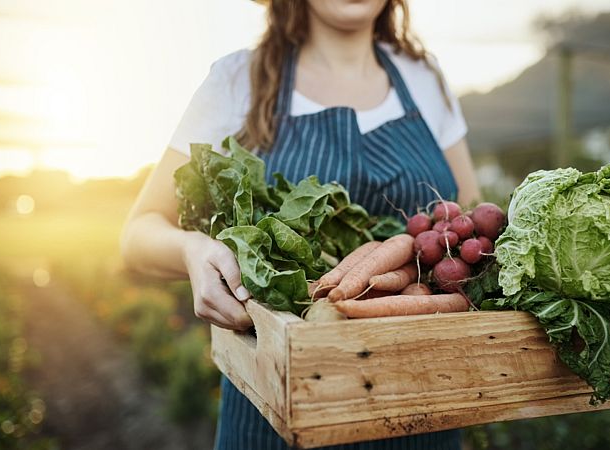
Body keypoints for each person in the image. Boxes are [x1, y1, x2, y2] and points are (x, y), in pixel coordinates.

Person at [121, 0, 481, 448]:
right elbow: (137, 232)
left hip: (424, 398)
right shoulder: (237, 80)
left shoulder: (423, 76)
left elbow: (470, 218)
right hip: (277, 408)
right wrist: (193, 250)